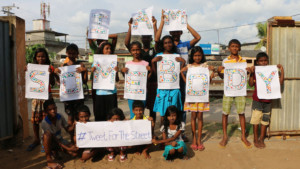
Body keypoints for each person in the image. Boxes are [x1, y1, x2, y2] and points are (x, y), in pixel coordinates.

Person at [155, 10, 201, 141]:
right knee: (166, 108)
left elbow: (198, 38)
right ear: (170, 33)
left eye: (178, 31)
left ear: (181, 32)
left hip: (183, 80)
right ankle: (166, 131)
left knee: (181, 107)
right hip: (168, 81)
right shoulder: (166, 45)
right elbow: (157, 39)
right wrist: (162, 21)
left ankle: (181, 132)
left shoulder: (185, 45)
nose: (175, 33)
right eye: (173, 31)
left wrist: (185, 24)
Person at [217, 39, 252, 148]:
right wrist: (219, 71)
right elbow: (223, 77)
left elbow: (245, 75)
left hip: (240, 91)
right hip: (228, 90)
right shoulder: (225, 61)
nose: (235, 48)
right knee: (225, 113)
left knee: (241, 113)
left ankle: (243, 136)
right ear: (229, 48)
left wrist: (249, 71)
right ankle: (225, 137)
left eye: (237, 46)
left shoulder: (243, 61)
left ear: (239, 48)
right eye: (232, 46)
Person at [125, 16, 158, 126]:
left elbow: (158, 40)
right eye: (144, 37)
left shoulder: (154, 50)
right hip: (137, 87)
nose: (146, 39)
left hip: (151, 84)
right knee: (137, 111)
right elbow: (127, 43)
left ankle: (150, 131)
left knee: (151, 110)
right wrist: (130, 27)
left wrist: (154, 25)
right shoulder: (138, 52)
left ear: (151, 39)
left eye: (148, 37)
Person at [180, 46, 215, 151]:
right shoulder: (189, 66)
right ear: (192, 56)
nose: (197, 57)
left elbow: (208, 81)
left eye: (199, 55)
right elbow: (182, 72)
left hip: (202, 97)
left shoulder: (205, 66)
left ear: (202, 56)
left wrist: (212, 73)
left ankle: (199, 139)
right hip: (192, 96)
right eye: (195, 55)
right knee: (193, 117)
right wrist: (186, 80)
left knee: (200, 117)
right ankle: (194, 138)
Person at [248, 52, 284, 148]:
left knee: (265, 121)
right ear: (257, 62)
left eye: (265, 60)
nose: (263, 62)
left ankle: (261, 138)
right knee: (255, 120)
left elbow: (280, 83)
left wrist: (282, 70)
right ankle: (255, 139)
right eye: (261, 61)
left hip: (268, 101)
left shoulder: (271, 71)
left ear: (268, 61)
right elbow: (251, 84)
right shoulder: (256, 71)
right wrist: (251, 73)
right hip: (257, 100)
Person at [25, 48, 56, 152]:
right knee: (35, 120)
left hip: (47, 96)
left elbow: (52, 83)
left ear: (46, 57)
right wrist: (26, 72)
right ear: (35, 58)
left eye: (43, 56)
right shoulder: (31, 68)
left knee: (47, 119)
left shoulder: (50, 68)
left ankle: (45, 140)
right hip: (36, 97)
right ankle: (36, 139)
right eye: (38, 56)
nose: (41, 58)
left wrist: (51, 73)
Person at [151, 35, 185, 126]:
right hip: (162, 89)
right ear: (163, 44)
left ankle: (173, 132)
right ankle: (164, 132)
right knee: (163, 112)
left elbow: (179, 72)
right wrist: (153, 62)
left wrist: (183, 62)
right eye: (165, 43)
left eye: (169, 42)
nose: (168, 45)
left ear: (172, 43)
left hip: (174, 89)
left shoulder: (176, 56)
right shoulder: (158, 56)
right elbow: (155, 74)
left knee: (174, 112)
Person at [55, 44, 88, 127]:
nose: (72, 55)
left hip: (78, 97)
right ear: (66, 53)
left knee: (79, 118)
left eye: (74, 53)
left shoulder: (81, 65)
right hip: (68, 98)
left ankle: (78, 137)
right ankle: (72, 138)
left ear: (77, 54)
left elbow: (84, 81)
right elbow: (60, 82)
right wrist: (56, 74)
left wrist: (85, 71)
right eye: (70, 53)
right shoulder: (63, 67)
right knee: (70, 119)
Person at [42, 99, 77, 169]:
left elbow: (68, 129)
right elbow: (56, 141)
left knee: (74, 153)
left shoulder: (60, 116)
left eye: (54, 108)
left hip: (59, 139)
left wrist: (74, 125)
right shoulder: (44, 122)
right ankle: (49, 158)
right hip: (51, 141)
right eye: (50, 109)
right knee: (47, 135)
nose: (53, 111)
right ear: (46, 112)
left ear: (56, 108)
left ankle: (56, 151)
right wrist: (68, 148)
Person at [121, 41, 152, 119]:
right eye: (133, 50)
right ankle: (133, 131)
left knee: (141, 113)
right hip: (131, 94)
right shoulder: (128, 64)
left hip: (141, 93)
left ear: (140, 50)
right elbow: (128, 79)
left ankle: (141, 130)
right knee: (133, 114)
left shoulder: (145, 64)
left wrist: (150, 71)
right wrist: (123, 71)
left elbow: (146, 79)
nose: (136, 52)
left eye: (137, 49)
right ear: (131, 51)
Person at [91, 42, 119, 121]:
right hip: (100, 93)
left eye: (110, 49)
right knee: (100, 116)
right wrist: (92, 71)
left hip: (111, 93)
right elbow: (94, 79)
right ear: (102, 50)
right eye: (106, 48)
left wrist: (117, 72)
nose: (109, 50)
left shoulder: (114, 62)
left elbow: (117, 80)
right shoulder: (96, 63)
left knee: (112, 117)